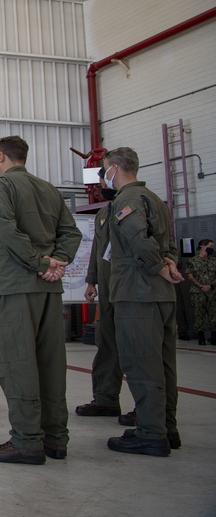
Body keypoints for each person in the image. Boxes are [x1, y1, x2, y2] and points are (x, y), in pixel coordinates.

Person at [0, 136, 82, 465]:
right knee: (50, 364)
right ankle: (55, 438)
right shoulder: (49, 189)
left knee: (18, 364)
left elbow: (6, 232)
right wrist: (56, 262)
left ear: (0, 157)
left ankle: (26, 440)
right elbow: (71, 232)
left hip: (17, 287)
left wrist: (40, 263)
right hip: (49, 291)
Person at [102, 147, 183, 456]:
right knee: (164, 365)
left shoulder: (126, 200)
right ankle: (166, 426)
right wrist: (170, 265)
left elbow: (139, 240)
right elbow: (168, 243)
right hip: (162, 295)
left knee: (141, 364)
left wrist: (159, 267)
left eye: (105, 170)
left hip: (138, 294)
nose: (104, 176)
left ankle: (150, 433)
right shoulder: (155, 200)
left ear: (114, 168)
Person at [75, 168, 135, 426]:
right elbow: (98, 251)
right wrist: (91, 281)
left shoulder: (137, 205)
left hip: (131, 290)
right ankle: (105, 399)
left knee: (136, 351)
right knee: (106, 345)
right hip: (108, 292)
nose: (101, 184)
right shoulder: (104, 214)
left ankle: (149, 409)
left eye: (103, 178)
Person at [185, 238, 216, 345]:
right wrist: (201, 286)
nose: (212, 249)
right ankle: (201, 337)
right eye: (210, 246)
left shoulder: (213, 260)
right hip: (197, 292)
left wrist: (210, 285)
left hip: (212, 291)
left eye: (212, 247)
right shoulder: (192, 261)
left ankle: (214, 336)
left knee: (213, 313)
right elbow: (190, 276)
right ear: (202, 246)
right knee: (199, 313)